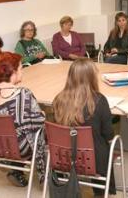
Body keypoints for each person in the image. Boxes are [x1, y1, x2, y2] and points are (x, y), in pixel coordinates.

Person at [0, 52, 46, 187]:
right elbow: (38, 123)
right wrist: (44, 115)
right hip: (15, 148)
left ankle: (14, 167)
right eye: (21, 68)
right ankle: (53, 174)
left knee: (19, 128)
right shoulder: (23, 94)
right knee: (47, 128)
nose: (22, 72)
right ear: (13, 72)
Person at [53, 59, 116, 196]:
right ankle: (101, 192)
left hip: (63, 157)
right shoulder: (99, 100)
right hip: (93, 160)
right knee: (106, 143)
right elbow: (108, 134)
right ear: (91, 77)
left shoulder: (58, 99)